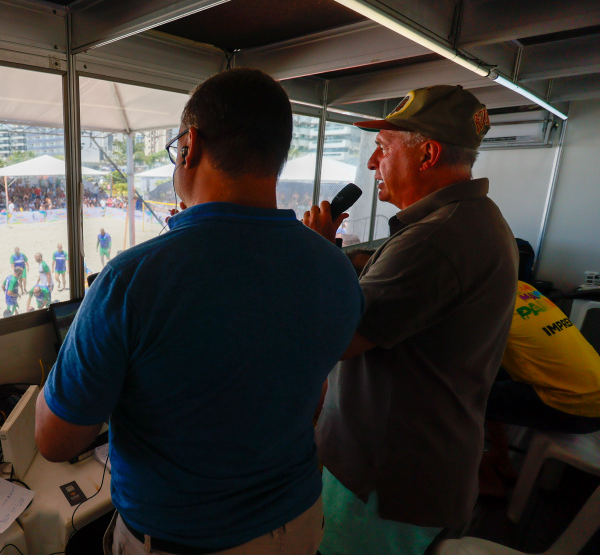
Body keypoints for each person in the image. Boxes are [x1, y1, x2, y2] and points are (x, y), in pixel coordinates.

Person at [36, 68, 362, 555]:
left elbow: (55, 442)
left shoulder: (130, 280)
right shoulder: (336, 270)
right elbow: (312, 397)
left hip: (182, 539)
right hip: (299, 523)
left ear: (190, 144)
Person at [303, 85, 518, 554]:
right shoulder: (474, 218)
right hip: (419, 466)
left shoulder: (435, 239)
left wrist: (316, 255)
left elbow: (334, 339)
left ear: (428, 154)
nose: (371, 164)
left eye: (382, 148)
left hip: (388, 482)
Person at [480, 281, 600, 494]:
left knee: (469, 400)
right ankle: (501, 458)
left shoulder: (482, 301)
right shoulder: (522, 286)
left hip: (576, 406)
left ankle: (490, 482)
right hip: (591, 394)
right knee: (493, 385)